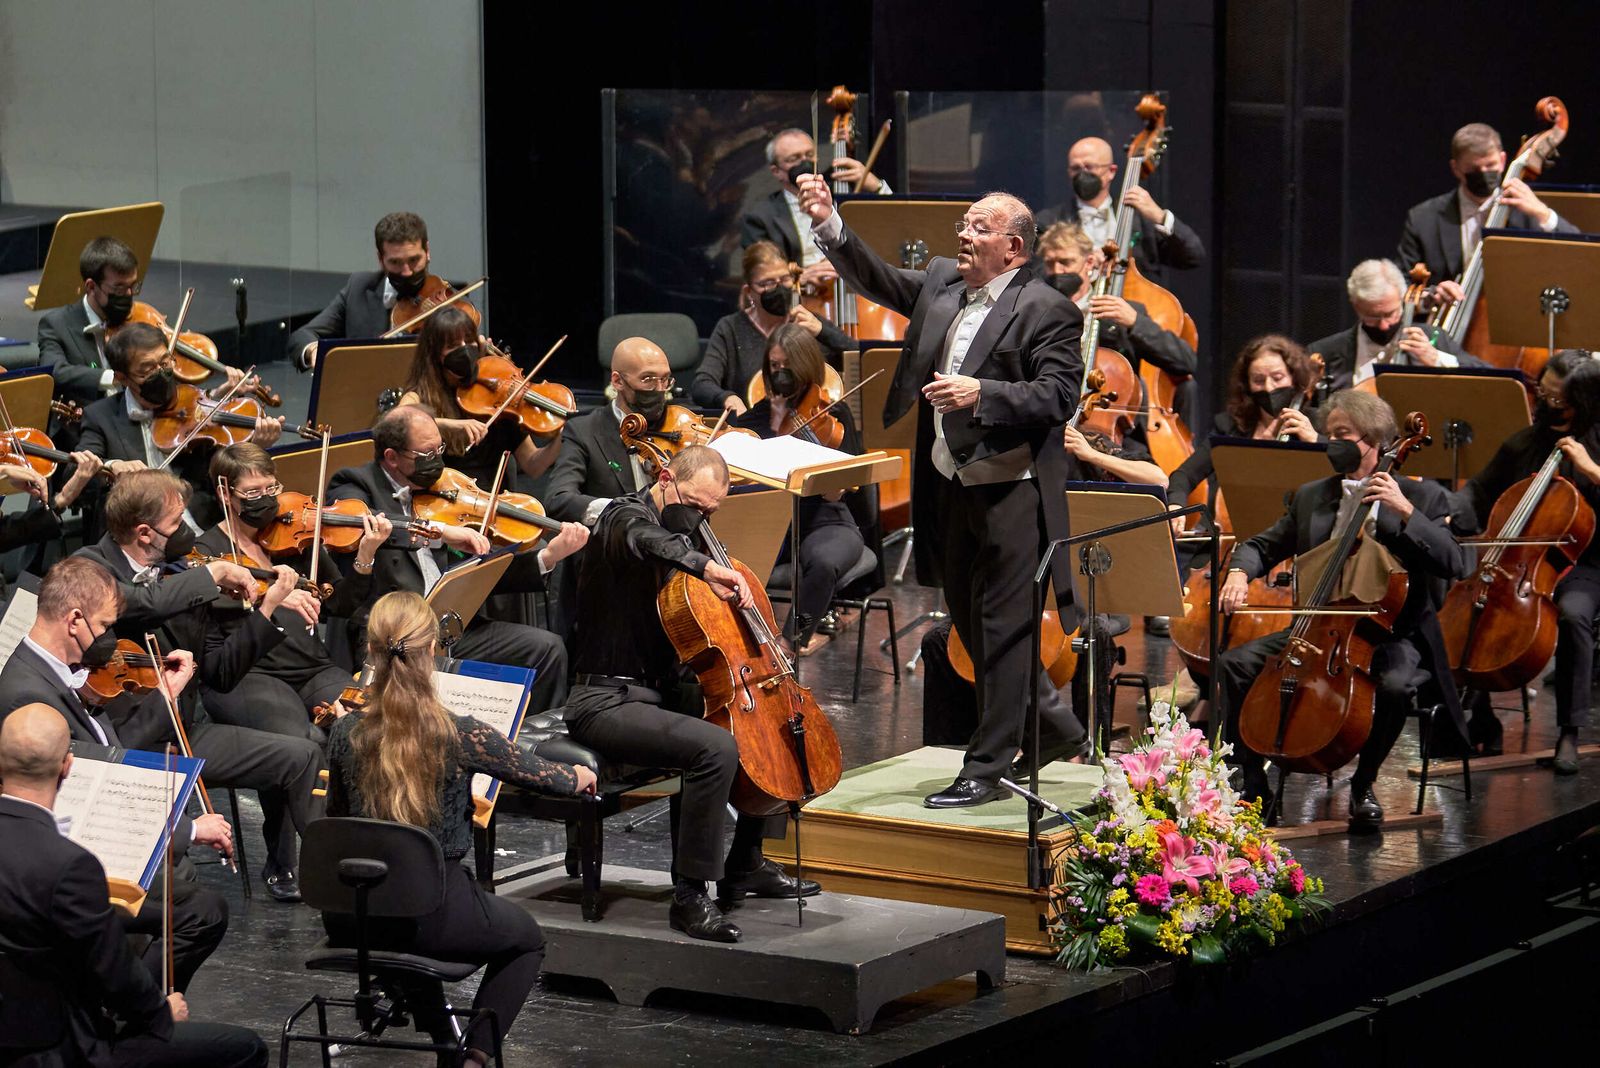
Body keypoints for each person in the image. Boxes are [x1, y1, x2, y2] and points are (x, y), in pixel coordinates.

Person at [797, 171, 1088, 808]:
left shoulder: (1048, 309)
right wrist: (828, 224)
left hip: (1011, 491)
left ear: (1014, 248)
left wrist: (984, 393)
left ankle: (986, 766)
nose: (964, 234)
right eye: (964, 224)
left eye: (980, 227)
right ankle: (1056, 725)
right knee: (969, 623)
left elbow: (1059, 396)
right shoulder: (942, 283)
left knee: (1004, 627)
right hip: (949, 483)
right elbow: (879, 280)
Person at [324, 591, 593, 1065]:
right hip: (429, 914)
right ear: (432, 651)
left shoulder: (345, 732)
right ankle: (475, 1058)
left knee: (403, 911)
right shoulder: (458, 733)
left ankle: (446, 1046)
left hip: (354, 915)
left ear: (370, 651)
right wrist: (579, 776)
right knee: (526, 940)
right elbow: (547, 777)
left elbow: (337, 822)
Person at [565, 446, 818, 941]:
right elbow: (647, 539)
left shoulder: (686, 534)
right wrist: (704, 567)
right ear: (665, 478)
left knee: (767, 728)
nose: (699, 519)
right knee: (715, 746)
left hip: (659, 693)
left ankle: (745, 862)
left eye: (710, 512)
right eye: (695, 506)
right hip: (606, 700)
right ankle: (690, 894)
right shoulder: (621, 519)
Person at [1214, 390, 1473, 829]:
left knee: (1394, 687)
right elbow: (1262, 544)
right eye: (1329, 433)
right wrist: (1239, 572)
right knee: (1234, 665)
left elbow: (1454, 562)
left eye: (1343, 434)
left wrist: (1405, 510)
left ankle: (1363, 783)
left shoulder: (1422, 495)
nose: (1331, 442)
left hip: (1390, 633)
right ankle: (1253, 783)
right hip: (1318, 629)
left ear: (1375, 440)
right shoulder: (1312, 495)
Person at [75, 470, 325, 903]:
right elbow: (140, 602)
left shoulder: (183, 573)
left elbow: (221, 672)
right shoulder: (90, 568)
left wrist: (264, 613)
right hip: (127, 742)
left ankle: (331, 882)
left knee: (302, 755)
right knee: (184, 890)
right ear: (144, 533)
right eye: (176, 523)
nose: (186, 532)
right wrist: (212, 575)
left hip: (184, 733)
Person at [0, 559, 235, 993]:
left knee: (185, 882)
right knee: (203, 910)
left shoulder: (52, 672)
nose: (110, 638)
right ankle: (141, 1010)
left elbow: (103, 747)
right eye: (105, 625)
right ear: (74, 621)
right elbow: (87, 788)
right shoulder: (31, 696)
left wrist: (163, 695)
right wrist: (187, 830)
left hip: (75, 846)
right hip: (70, 860)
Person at [0, 704, 269, 1068]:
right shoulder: (70, 865)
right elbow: (112, 971)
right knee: (246, 1047)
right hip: (60, 1050)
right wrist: (160, 1013)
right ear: (67, 766)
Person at [326, 404, 586, 712]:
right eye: (426, 454)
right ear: (392, 457)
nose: (437, 461)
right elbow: (368, 523)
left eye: (440, 449)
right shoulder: (355, 485)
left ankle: (537, 735)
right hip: (397, 635)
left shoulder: (444, 492)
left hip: (449, 626)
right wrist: (439, 532)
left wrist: (547, 556)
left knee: (547, 648)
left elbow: (481, 573)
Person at [1450, 349, 1600, 773]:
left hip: (1588, 564)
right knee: (1475, 605)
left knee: (1574, 616)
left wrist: (1590, 469)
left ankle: (1569, 731)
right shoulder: (1524, 443)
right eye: (1542, 392)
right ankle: (1480, 713)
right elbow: (1479, 491)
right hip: (1523, 564)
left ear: (1582, 401)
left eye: (1557, 399)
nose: (1545, 403)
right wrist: (1449, 511)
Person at [197, 443, 389, 738]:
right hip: (253, 673)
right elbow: (222, 615)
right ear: (225, 493)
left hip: (312, 667)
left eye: (272, 488)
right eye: (253, 493)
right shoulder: (207, 553)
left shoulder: (293, 535)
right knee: (304, 739)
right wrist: (271, 596)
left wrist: (366, 554)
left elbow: (339, 604)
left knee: (373, 723)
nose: (266, 499)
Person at [733, 324, 870, 653]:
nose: (781, 374)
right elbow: (735, 458)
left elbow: (851, 480)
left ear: (806, 366)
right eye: (774, 366)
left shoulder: (833, 413)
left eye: (789, 367)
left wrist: (834, 486)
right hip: (769, 524)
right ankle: (737, 646)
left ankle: (790, 642)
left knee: (824, 563)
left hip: (825, 520)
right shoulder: (757, 417)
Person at [78, 321, 282, 536]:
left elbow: (224, 473)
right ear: (121, 377)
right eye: (147, 370)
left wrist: (256, 446)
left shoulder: (194, 404)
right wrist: (112, 465)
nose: (161, 373)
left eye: (165, 362)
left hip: (201, 524)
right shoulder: (100, 416)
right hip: (140, 531)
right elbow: (77, 471)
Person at [1037, 220, 1199, 425]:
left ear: (1089, 263)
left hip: (1110, 420)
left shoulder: (1119, 310)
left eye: (1065, 262)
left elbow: (1185, 361)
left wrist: (1135, 322)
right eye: (1050, 264)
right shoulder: (1038, 310)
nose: (1057, 271)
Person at [1397, 122, 1577, 302]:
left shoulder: (1526, 210)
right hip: (1450, 316)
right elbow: (1400, 287)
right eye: (1474, 169)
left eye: (1490, 165)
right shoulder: (1422, 218)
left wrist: (1543, 213)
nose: (1483, 173)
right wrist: (1432, 295)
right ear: (1456, 168)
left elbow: (1578, 254)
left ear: (1503, 160)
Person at [1166, 335, 1323, 532]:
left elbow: (1346, 470)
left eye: (1277, 378)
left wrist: (1316, 439)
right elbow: (1184, 475)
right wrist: (1176, 505)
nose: (1269, 387)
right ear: (1247, 385)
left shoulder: (1315, 422)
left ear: (1294, 377)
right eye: (1258, 380)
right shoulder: (1230, 426)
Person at [394, 306, 561, 484]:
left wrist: (562, 437)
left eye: (469, 341)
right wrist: (453, 425)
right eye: (453, 346)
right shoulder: (422, 395)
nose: (464, 349)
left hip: (497, 497)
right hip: (446, 495)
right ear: (435, 354)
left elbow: (533, 465)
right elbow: (399, 419)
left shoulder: (499, 399)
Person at [691, 240, 853, 416]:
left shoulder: (810, 323)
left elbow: (860, 356)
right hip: (752, 426)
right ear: (749, 292)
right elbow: (702, 383)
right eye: (767, 283)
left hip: (812, 424)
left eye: (784, 279)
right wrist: (727, 398)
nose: (778, 288)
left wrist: (823, 332)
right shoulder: (730, 328)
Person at [545, 336, 679, 528]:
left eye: (665, 380)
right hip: (615, 541)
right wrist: (621, 510)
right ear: (617, 381)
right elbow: (558, 499)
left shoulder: (677, 426)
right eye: (647, 379)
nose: (659, 390)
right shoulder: (584, 430)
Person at [740, 127, 892, 289]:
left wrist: (877, 186)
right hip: (804, 296)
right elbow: (762, 276)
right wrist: (801, 278)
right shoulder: (759, 217)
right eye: (794, 158)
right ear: (776, 171)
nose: (805, 162)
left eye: (810, 155)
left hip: (855, 290)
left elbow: (894, 222)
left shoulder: (843, 198)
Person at [1034, 136, 1205, 280]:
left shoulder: (1140, 220)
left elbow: (1192, 257)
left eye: (1090, 167)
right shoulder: (1048, 222)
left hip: (1132, 306)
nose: (1082, 173)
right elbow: (1035, 274)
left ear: (1111, 171)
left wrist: (1160, 217)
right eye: (1075, 168)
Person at [1306, 259, 1476, 394]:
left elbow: (1484, 375)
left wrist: (1437, 359)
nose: (1383, 326)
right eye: (1372, 316)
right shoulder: (1323, 352)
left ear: (1402, 300)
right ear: (1356, 306)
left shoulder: (1432, 337)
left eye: (1390, 314)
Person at [35, 236, 140, 443]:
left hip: (132, 424)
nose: (128, 296)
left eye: (133, 286)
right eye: (119, 289)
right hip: (81, 431)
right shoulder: (56, 324)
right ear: (91, 286)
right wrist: (112, 377)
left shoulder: (136, 319)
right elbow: (55, 370)